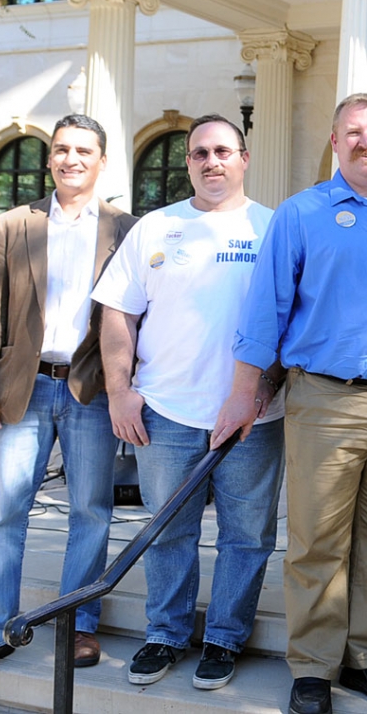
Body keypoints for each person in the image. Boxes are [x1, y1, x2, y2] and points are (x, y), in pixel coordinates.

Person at [214, 93, 367, 714]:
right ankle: (314, 667)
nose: (364, 141)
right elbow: (264, 308)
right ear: (335, 138)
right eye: (353, 131)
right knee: (318, 538)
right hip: (324, 399)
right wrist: (244, 393)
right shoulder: (300, 214)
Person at [93, 114, 284, 692]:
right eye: (199, 153)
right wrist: (120, 392)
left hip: (253, 418)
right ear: (189, 164)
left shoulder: (273, 228)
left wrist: (259, 396)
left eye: (223, 150)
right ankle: (166, 634)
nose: (211, 161)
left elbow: (289, 323)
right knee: (167, 530)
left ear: (244, 158)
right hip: (165, 412)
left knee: (246, 535)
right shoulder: (155, 227)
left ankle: (224, 639)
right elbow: (118, 314)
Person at [0, 115, 135, 685]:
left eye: (83, 150)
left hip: (91, 390)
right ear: (50, 159)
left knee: (91, 512)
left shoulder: (127, 229)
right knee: (4, 512)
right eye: (60, 149)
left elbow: (137, 318)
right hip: (21, 390)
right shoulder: (16, 224)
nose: (70, 158)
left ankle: (77, 622)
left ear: (102, 162)